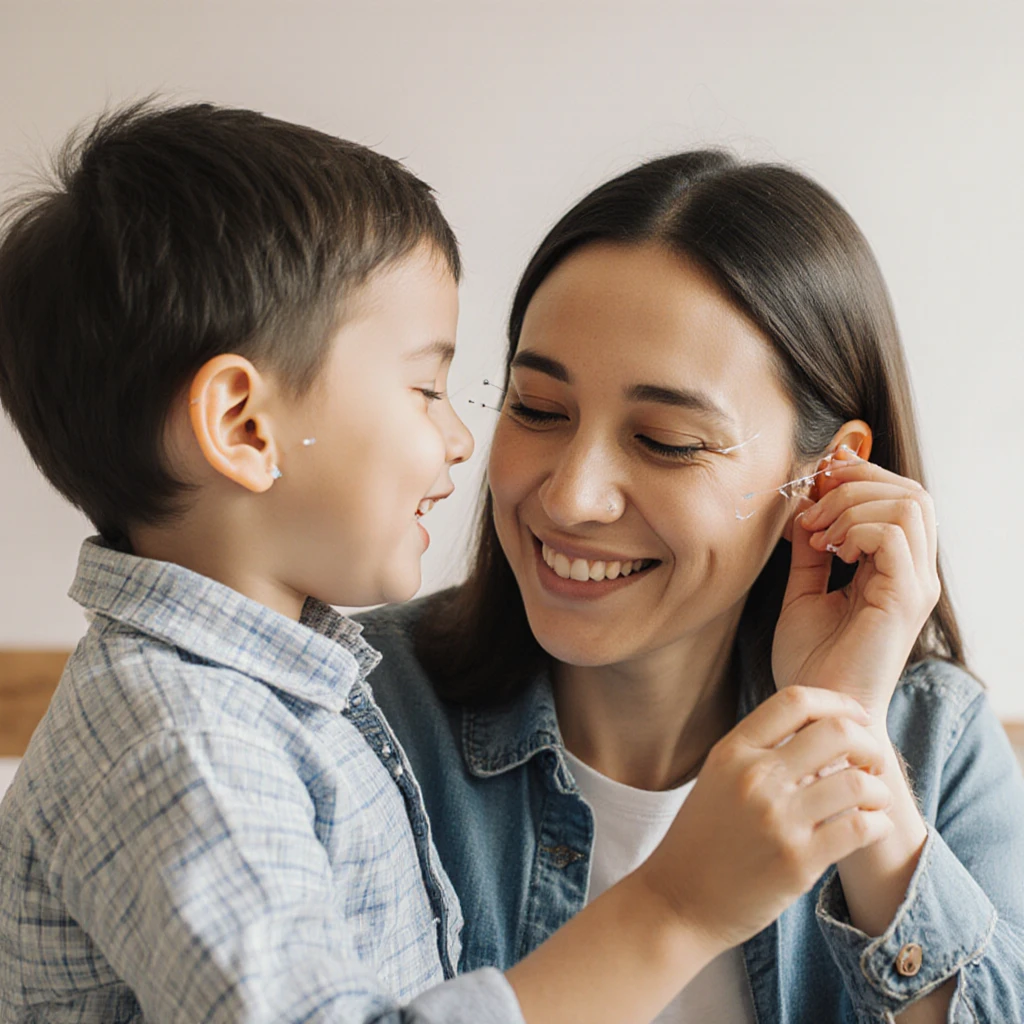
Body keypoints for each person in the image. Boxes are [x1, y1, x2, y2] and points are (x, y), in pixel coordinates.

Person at [0, 104, 888, 1024]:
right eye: (428, 388)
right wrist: (677, 907)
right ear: (244, 426)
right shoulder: (181, 743)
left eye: (666, 438)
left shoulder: (283, 698)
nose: (464, 440)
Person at [359, 151, 1024, 1023]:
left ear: (828, 474)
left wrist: (841, 737)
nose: (569, 496)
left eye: (667, 440)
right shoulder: (360, 708)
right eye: (537, 408)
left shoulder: (933, 742)